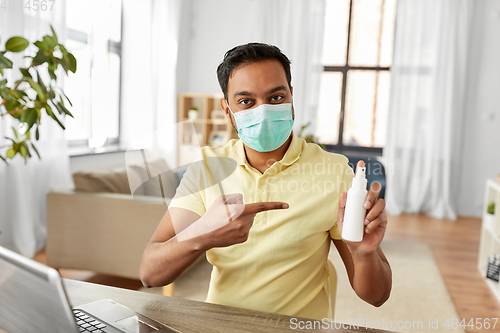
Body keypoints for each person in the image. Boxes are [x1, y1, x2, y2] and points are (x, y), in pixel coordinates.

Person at [140, 42, 392, 321]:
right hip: (221, 327)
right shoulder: (208, 168)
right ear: (228, 110)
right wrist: (205, 235)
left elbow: (377, 297)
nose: (263, 111)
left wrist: (364, 254)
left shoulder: (334, 171)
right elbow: (150, 273)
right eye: (246, 101)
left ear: (291, 97)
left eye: (275, 98)